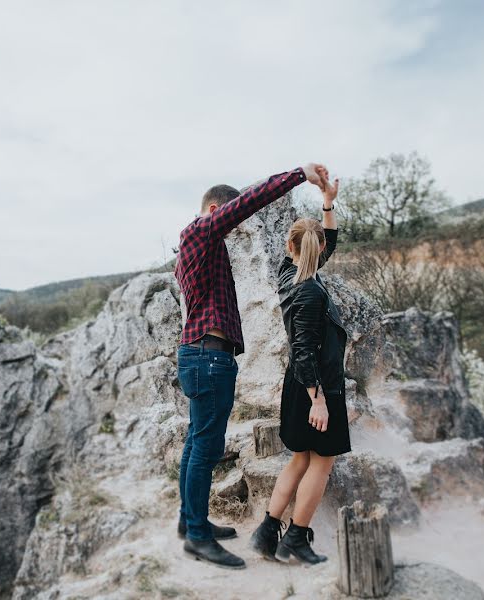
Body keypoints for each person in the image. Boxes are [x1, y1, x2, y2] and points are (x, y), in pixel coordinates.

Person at [174, 162, 331, 569]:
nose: (229, 227)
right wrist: (301, 175)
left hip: (203, 355)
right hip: (208, 357)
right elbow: (250, 201)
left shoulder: (201, 245)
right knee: (205, 449)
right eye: (225, 219)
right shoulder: (200, 230)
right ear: (214, 212)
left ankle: (191, 521)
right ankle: (196, 536)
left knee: (196, 444)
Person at [249, 171, 350, 565]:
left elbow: (326, 244)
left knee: (301, 459)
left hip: (299, 385)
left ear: (290, 247)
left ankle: (265, 532)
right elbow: (304, 348)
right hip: (316, 388)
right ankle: (295, 539)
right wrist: (319, 401)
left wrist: (327, 204)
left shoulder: (288, 274)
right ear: (316, 247)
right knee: (321, 464)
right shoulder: (309, 290)